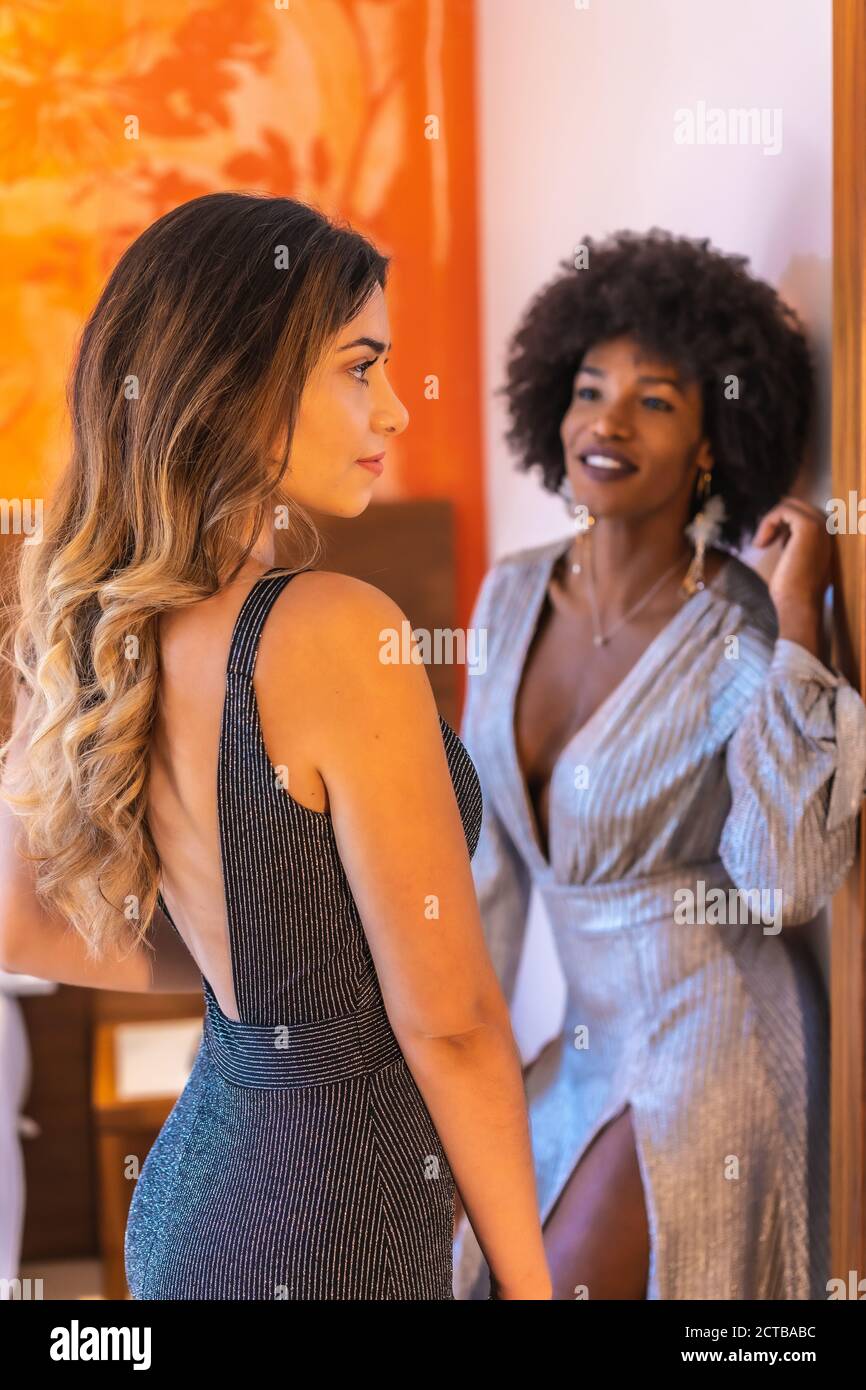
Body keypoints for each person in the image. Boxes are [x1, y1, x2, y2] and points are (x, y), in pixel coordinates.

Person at [0, 192, 551, 1301]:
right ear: (237, 376)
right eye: (360, 367)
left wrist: (259, 982)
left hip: (197, 1200)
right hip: (328, 1224)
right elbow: (448, 1020)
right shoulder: (335, 630)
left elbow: (19, 913)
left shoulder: (104, 623)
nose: (395, 410)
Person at [453, 228, 866, 1300]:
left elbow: (782, 880)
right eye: (590, 389)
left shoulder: (736, 633)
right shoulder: (506, 595)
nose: (607, 422)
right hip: (581, 1045)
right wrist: (449, 1067)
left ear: (708, 445)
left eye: (655, 399)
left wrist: (791, 626)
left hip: (710, 1034)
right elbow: (485, 869)